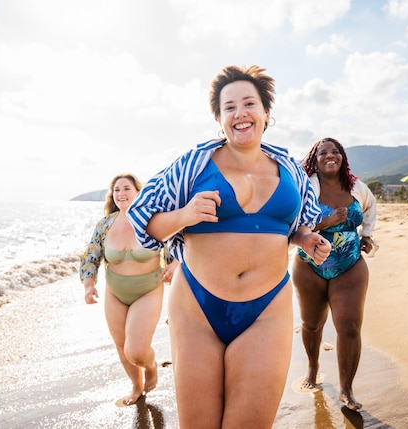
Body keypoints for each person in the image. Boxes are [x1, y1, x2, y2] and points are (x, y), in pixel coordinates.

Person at [126, 65, 332, 428]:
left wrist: (305, 240)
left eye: (249, 103)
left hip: (267, 310)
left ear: (266, 114)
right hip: (197, 309)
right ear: (219, 118)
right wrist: (185, 215)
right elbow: (145, 220)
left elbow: (294, 227)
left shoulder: (291, 170)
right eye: (229, 107)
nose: (240, 113)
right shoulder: (193, 163)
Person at [291, 137, 377, 411]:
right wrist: (326, 221)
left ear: (342, 157)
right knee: (312, 324)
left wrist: (368, 237)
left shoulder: (357, 188)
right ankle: (313, 368)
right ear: (314, 161)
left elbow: (370, 210)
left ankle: (347, 390)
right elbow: (293, 224)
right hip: (309, 266)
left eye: (335, 151)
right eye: (323, 152)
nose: (330, 155)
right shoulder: (306, 188)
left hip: (350, 266)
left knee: (350, 326)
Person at [79, 173, 178, 406]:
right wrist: (88, 284)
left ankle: (151, 366)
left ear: (138, 192)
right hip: (115, 292)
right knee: (122, 347)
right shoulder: (106, 223)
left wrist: (174, 263)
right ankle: (136, 387)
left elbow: (176, 242)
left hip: (148, 291)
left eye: (126, 189)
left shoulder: (153, 219)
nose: (121, 194)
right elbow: (91, 254)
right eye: (117, 190)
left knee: (136, 350)